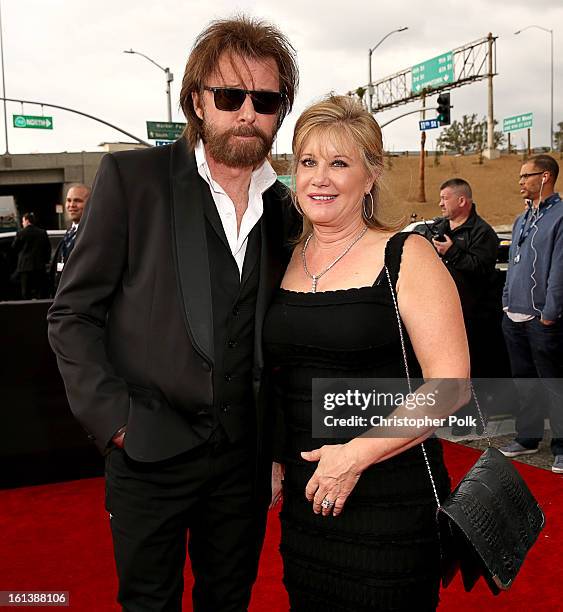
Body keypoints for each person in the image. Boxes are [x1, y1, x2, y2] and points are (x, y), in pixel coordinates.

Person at [48, 16, 298, 611]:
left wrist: (277, 451)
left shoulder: (287, 207)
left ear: (280, 111)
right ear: (195, 100)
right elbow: (72, 314)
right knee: (148, 603)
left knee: (228, 600)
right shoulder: (134, 180)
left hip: (243, 461)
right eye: (229, 95)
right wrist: (116, 422)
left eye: (264, 100)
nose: (246, 114)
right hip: (147, 450)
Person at [264, 96, 469, 611]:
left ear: (371, 174)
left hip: (389, 498)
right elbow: (281, 374)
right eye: (308, 162)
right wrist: (274, 453)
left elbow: (450, 386)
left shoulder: (407, 253)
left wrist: (354, 457)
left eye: (339, 163)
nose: (320, 178)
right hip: (308, 501)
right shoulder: (282, 257)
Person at [415, 178, 499, 434]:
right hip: (441, 313)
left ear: (462, 201)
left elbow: (481, 269)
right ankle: (448, 416)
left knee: (473, 371)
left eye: (445, 198)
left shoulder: (483, 233)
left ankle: (472, 419)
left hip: (474, 316)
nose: (440, 203)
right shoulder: (437, 228)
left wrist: (451, 252)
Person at [499, 154, 563, 474]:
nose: (521, 181)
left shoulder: (561, 216)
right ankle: (528, 437)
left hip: (543, 318)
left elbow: (559, 269)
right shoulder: (522, 217)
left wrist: (550, 313)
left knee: (552, 383)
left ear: (546, 177)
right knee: (524, 381)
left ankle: (562, 447)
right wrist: (507, 302)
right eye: (521, 176)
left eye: (527, 176)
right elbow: (515, 263)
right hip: (515, 315)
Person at [50, 183, 90, 295]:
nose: (71, 205)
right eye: (68, 200)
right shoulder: (69, 233)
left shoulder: (94, 235)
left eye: (77, 201)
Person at [11, 212, 50, 299]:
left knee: (25, 292)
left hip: (24, 267)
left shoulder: (21, 233)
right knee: (40, 291)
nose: (22, 223)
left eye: (23, 221)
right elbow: (47, 249)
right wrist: (45, 261)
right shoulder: (42, 233)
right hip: (39, 266)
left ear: (27, 221)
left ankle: (28, 309)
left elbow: (14, 248)